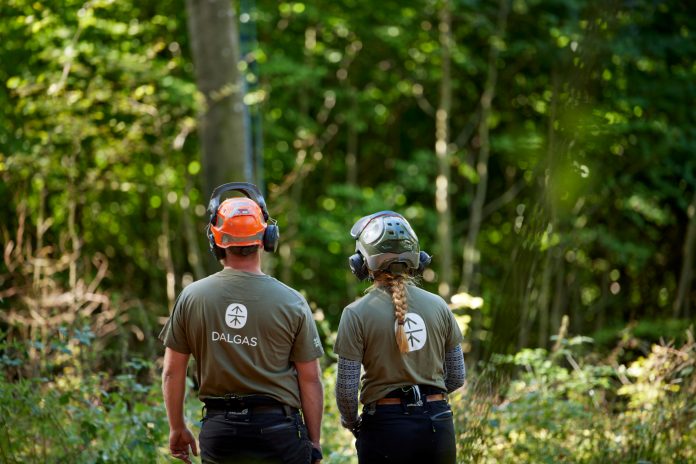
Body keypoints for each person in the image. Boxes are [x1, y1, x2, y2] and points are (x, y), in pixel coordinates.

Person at [159, 182, 324, 464]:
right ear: (266, 238)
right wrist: (314, 441)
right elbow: (310, 379)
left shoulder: (192, 297)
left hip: (220, 433)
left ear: (215, 240)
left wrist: (177, 428)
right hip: (279, 433)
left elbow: (173, 372)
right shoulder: (292, 301)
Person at [334, 211, 466, 463]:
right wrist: (428, 393)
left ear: (361, 262)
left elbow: (347, 389)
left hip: (385, 426)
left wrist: (352, 422)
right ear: (417, 259)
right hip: (438, 424)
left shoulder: (355, 313)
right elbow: (457, 376)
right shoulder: (439, 306)